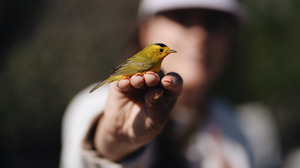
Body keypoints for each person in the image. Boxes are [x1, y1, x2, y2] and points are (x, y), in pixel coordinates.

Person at [60, 0, 274, 167]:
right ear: (145, 31)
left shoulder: (237, 126)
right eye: (181, 17)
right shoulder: (102, 102)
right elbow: (96, 151)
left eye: (214, 23)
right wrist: (115, 142)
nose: (200, 35)